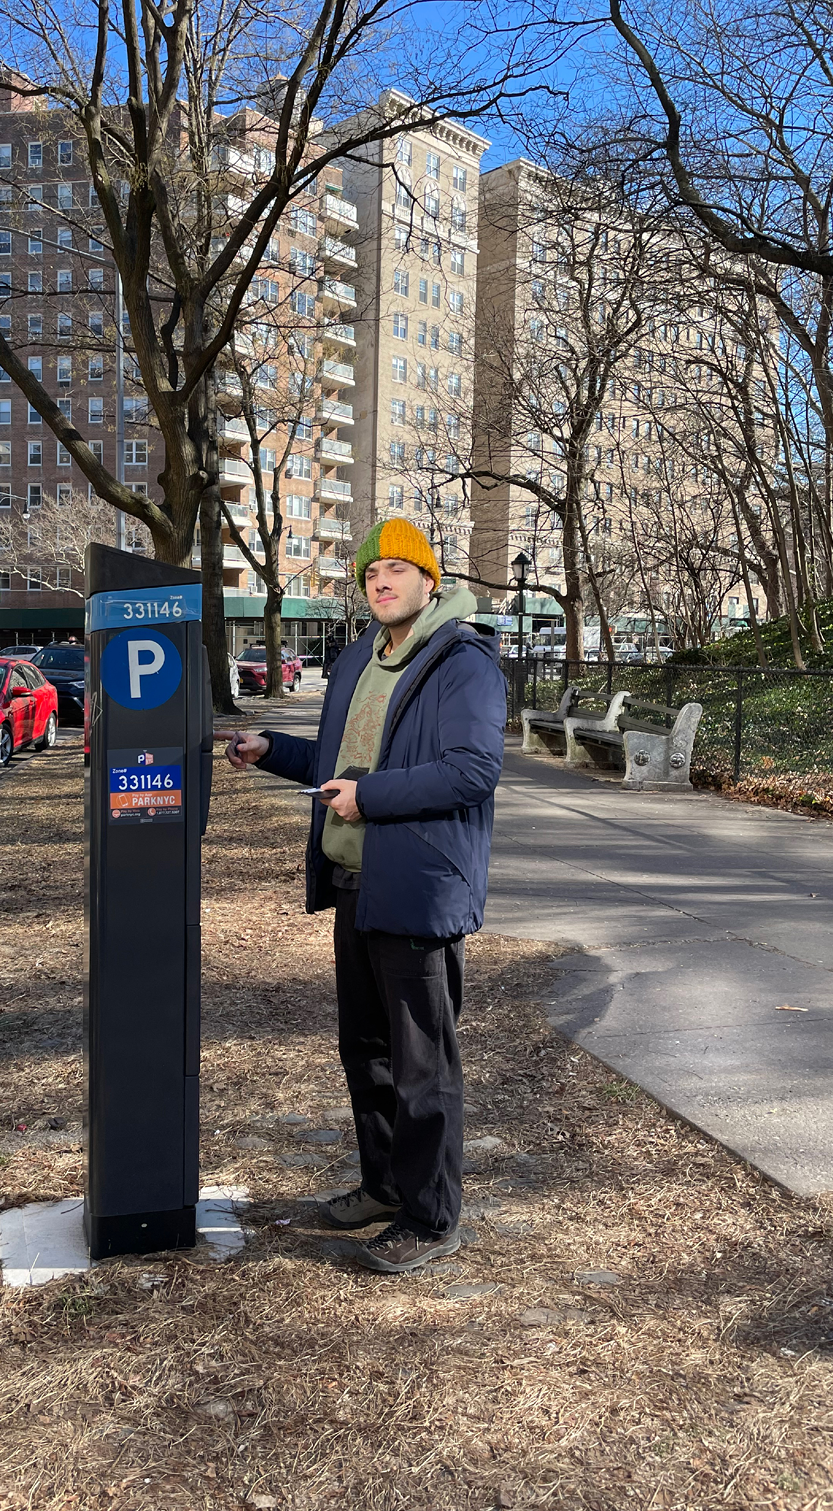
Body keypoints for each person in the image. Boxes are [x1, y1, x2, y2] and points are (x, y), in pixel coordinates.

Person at [220, 517, 505, 1274]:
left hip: (418, 886)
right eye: (371, 573)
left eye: (397, 570)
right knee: (367, 1050)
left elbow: (472, 772)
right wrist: (272, 750)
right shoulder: (359, 660)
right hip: (355, 880)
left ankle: (431, 1213)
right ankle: (384, 1186)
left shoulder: (461, 661)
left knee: (423, 1063)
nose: (381, 581)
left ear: (429, 580)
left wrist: (372, 796)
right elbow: (341, 762)